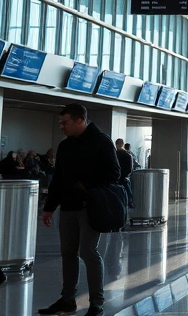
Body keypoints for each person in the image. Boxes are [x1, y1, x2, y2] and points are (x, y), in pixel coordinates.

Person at [39, 104, 120, 316]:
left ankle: (96, 303)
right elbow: (58, 178)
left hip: (89, 206)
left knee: (88, 252)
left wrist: (85, 185)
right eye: (60, 123)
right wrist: (49, 207)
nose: (62, 127)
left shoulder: (101, 141)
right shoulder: (65, 146)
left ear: (79, 120)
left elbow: (114, 173)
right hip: (67, 206)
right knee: (68, 253)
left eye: (65, 122)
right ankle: (67, 299)